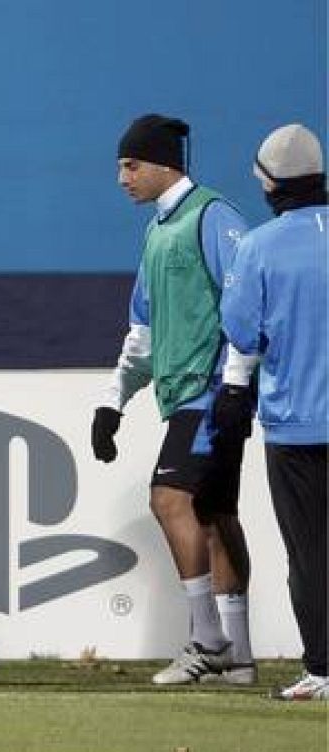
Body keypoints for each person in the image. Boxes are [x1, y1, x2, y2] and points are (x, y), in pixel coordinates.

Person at [93, 114, 255, 685]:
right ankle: (238, 656)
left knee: (169, 498)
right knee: (212, 515)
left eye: (131, 165)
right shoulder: (157, 232)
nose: (122, 178)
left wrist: (236, 385)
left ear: (166, 164)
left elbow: (245, 304)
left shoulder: (214, 216)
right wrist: (113, 401)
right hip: (186, 392)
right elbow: (143, 330)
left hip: (210, 391)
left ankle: (208, 639)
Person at [213, 123, 327, 701]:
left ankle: (324, 669)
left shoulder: (259, 246)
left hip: (298, 425)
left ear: (269, 181)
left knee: (310, 553)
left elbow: (241, 334)